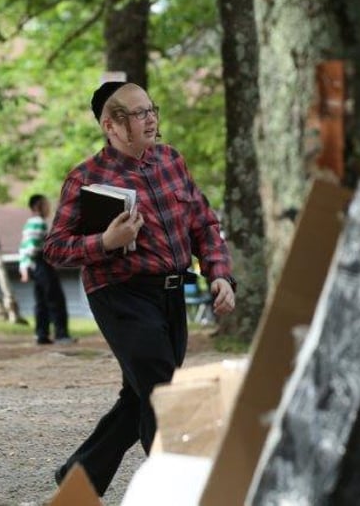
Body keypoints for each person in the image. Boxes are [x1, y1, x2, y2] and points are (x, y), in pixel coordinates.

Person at [43, 81, 237, 495]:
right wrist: (105, 242)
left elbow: (204, 222)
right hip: (119, 294)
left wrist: (218, 272)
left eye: (152, 109)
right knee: (163, 392)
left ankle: (77, 481)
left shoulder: (171, 160)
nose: (150, 119)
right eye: (138, 113)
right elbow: (55, 248)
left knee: (140, 396)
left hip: (170, 294)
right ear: (111, 125)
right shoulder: (85, 179)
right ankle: (179, 492)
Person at [19, 193, 73, 345]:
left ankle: (41, 334)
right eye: (46, 204)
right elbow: (31, 247)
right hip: (41, 263)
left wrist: (24, 266)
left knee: (41, 300)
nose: (49, 207)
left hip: (35, 265)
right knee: (55, 299)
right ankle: (61, 335)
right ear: (38, 207)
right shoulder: (38, 222)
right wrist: (27, 265)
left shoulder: (30, 223)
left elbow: (23, 247)